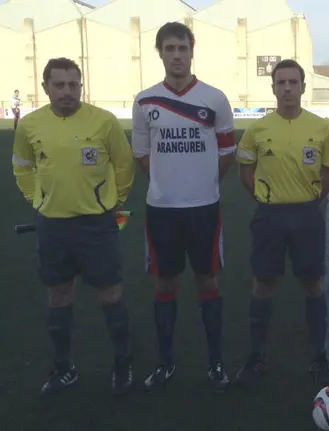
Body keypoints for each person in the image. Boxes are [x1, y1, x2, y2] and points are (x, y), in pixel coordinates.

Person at [11, 57, 136, 396]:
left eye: (73, 84)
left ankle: (123, 363)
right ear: (45, 87)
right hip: (52, 225)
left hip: (97, 224)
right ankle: (65, 367)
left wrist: (117, 202)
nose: (67, 91)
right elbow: (22, 165)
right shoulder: (30, 125)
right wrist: (35, 199)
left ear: (81, 85)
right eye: (59, 85)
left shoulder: (104, 121)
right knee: (58, 294)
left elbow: (124, 164)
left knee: (110, 292)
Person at [131, 22, 236, 393]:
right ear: (160, 52)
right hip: (161, 210)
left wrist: (201, 182)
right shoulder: (145, 101)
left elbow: (227, 153)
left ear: (193, 51)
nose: (177, 55)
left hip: (204, 209)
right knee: (164, 282)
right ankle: (165, 363)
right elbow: (142, 156)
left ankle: (215, 362)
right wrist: (168, 183)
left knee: (208, 280)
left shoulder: (214, 99)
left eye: (182, 48)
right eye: (170, 48)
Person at [235, 59, 329, 387]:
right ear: (274, 88)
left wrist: (312, 200)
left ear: (303, 87)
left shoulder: (321, 127)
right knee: (263, 283)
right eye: (281, 83)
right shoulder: (258, 129)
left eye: (293, 82)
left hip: (307, 216)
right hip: (269, 218)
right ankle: (257, 356)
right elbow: (245, 172)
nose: (288, 89)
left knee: (312, 284)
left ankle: (319, 356)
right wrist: (266, 199)